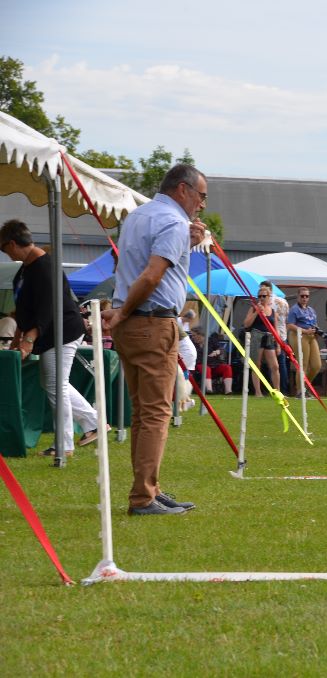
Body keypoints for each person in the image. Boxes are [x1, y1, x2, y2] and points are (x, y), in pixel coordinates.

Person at [100, 163, 207, 516]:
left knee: (144, 412)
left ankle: (149, 489)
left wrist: (121, 314)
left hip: (132, 324)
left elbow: (140, 266)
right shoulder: (174, 222)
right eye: (201, 195)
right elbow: (151, 276)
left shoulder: (137, 216)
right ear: (183, 189)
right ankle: (144, 496)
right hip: (151, 322)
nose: (202, 204)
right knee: (157, 412)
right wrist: (124, 313)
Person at [1, 219, 103, 457]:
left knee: (56, 384)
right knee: (54, 383)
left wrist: (28, 340)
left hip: (64, 331)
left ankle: (64, 445)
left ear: (12, 244)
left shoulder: (45, 267)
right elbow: (24, 310)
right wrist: (17, 339)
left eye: (3, 249)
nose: (6, 254)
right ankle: (94, 422)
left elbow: (47, 309)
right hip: (52, 333)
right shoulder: (27, 269)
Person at [243, 288, 281, 397]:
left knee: (275, 366)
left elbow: (276, 329)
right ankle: (258, 392)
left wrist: (278, 345)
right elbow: (246, 324)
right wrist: (257, 312)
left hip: (268, 337)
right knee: (256, 365)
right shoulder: (253, 308)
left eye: (264, 296)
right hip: (256, 336)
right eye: (259, 296)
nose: (261, 298)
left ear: (269, 297)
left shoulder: (273, 311)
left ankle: (277, 391)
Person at [286, 286, 322, 389]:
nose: (304, 298)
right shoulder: (294, 309)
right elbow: (289, 325)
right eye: (302, 296)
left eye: (307, 296)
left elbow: (314, 324)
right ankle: (300, 390)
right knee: (303, 364)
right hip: (299, 335)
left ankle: (305, 386)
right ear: (298, 296)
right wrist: (305, 331)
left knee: (316, 365)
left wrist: (317, 331)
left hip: (311, 336)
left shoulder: (311, 310)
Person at [260, 280, 292, 393]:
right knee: (281, 364)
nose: (261, 293)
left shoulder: (268, 303)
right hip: (282, 335)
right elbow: (286, 319)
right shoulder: (284, 301)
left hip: (271, 335)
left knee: (271, 365)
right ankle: (283, 390)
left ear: (269, 289)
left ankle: (273, 389)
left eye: (263, 289)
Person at [191, 329, 233, 393]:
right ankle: (209, 389)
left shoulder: (211, 341)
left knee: (227, 367)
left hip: (214, 365)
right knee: (206, 368)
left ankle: (228, 391)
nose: (192, 337)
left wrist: (217, 351)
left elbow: (221, 349)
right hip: (199, 365)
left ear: (201, 335)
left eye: (194, 335)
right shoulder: (191, 343)